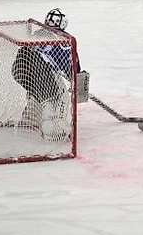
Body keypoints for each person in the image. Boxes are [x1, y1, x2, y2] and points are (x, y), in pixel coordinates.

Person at [11, 9, 90, 140]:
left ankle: (30, 119)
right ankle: (54, 131)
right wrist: (77, 78)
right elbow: (71, 65)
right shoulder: (64, 39)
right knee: (59, 97)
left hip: (20, 69)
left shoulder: (38, 32)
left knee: (39, 92)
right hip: (40, 68)